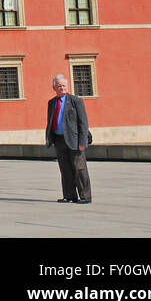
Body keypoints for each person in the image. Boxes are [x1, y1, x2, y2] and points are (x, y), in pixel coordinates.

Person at [46, 74, 91, 204]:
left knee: (79, 169)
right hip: (59, 140)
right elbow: (50, 121)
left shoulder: (76, 101)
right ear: (54, 87)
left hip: (75, 140)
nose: (62, 88)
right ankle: (69, 195)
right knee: (65, 169)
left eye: (64, 85)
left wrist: (83, 142)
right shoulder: (52, 103)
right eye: (59, 86)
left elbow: (83, 123)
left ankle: (85, 196)